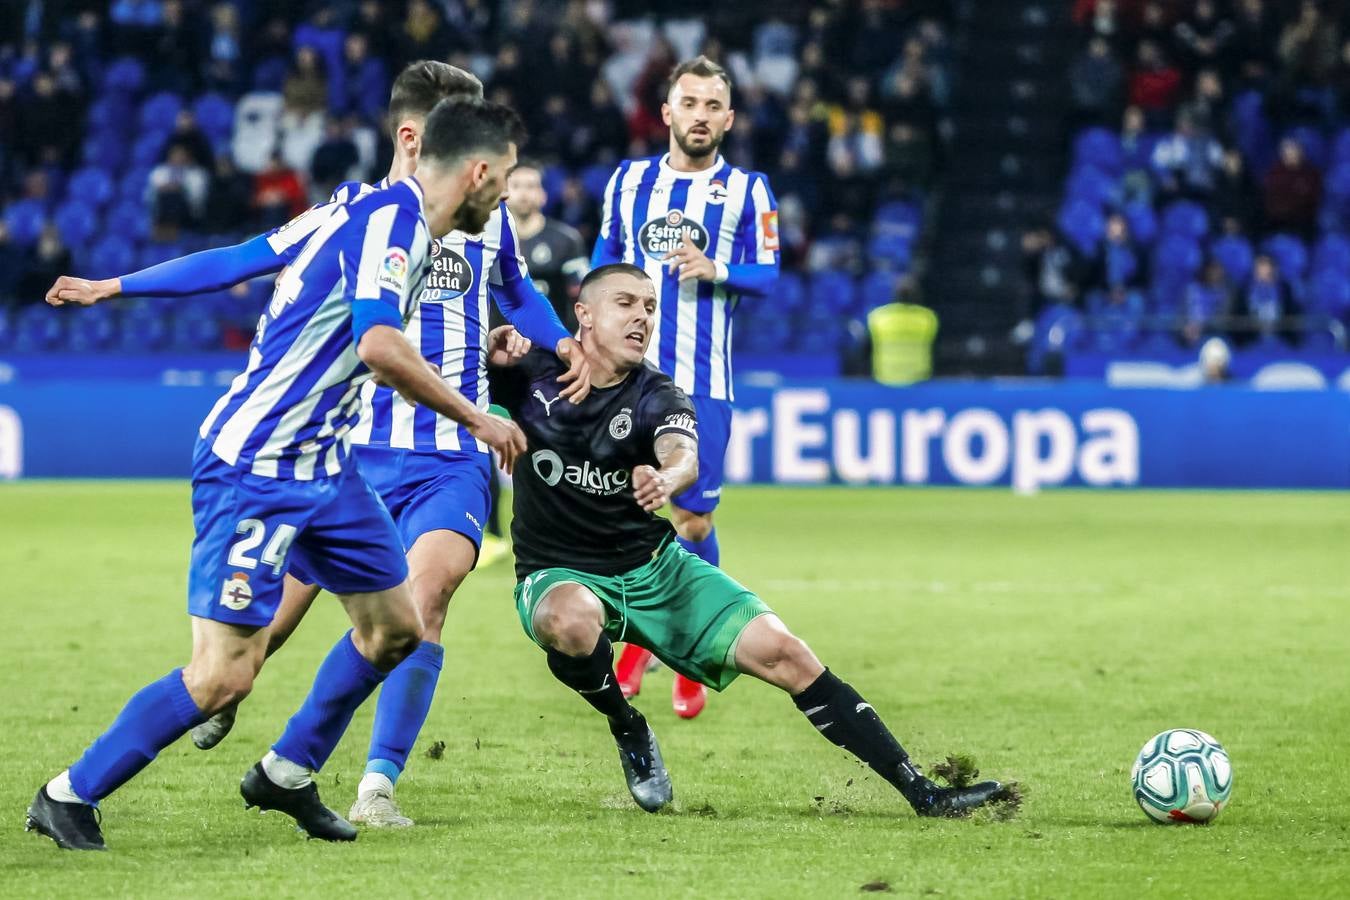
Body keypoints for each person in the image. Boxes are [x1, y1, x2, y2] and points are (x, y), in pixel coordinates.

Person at [44, 62, 589, 830]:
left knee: (399, 625)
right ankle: (69, 795)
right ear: (462, 163)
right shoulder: (380, 220)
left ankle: (289, 770)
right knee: (224, 675)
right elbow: (375, 343)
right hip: (259, 463)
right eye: (500, 176)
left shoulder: (422, 223)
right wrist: (479, 415)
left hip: (328, 465)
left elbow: (496, 295)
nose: (510, 193)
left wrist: (548, 342)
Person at [490, 263, 1015, 819]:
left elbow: (682, 453)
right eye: (625, 303)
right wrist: (490, 345)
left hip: (654, 567)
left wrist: (668, 478)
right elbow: (435, 367)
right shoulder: (528, 370)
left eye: (649, 306)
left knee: (788, 653)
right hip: (557, 569)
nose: (642, 316)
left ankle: (925, 794)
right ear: (584, 313)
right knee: (569, 621)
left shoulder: (657, 394)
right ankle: (629, 726)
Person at [592, 56, 780, 717]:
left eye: (712, 106)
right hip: (624, 381)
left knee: (692, 518)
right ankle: (652, 643)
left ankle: (694, 649)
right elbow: (600, 265)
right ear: (666, 113)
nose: (699, 115)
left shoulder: (749, 191)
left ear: (728, 119)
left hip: (703, 384)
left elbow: (768, 272)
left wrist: (716, 265)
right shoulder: (628, 181)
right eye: (689, 103)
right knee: (622, 512)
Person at [503, 160, 588, 332]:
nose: (523, 193)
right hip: (501, 343)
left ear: (543, 194)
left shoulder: (566, 239)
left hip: (552, 344)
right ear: (503, 193)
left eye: (531, 186)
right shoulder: (488, 240)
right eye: (516, 186)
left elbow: (582, 295)